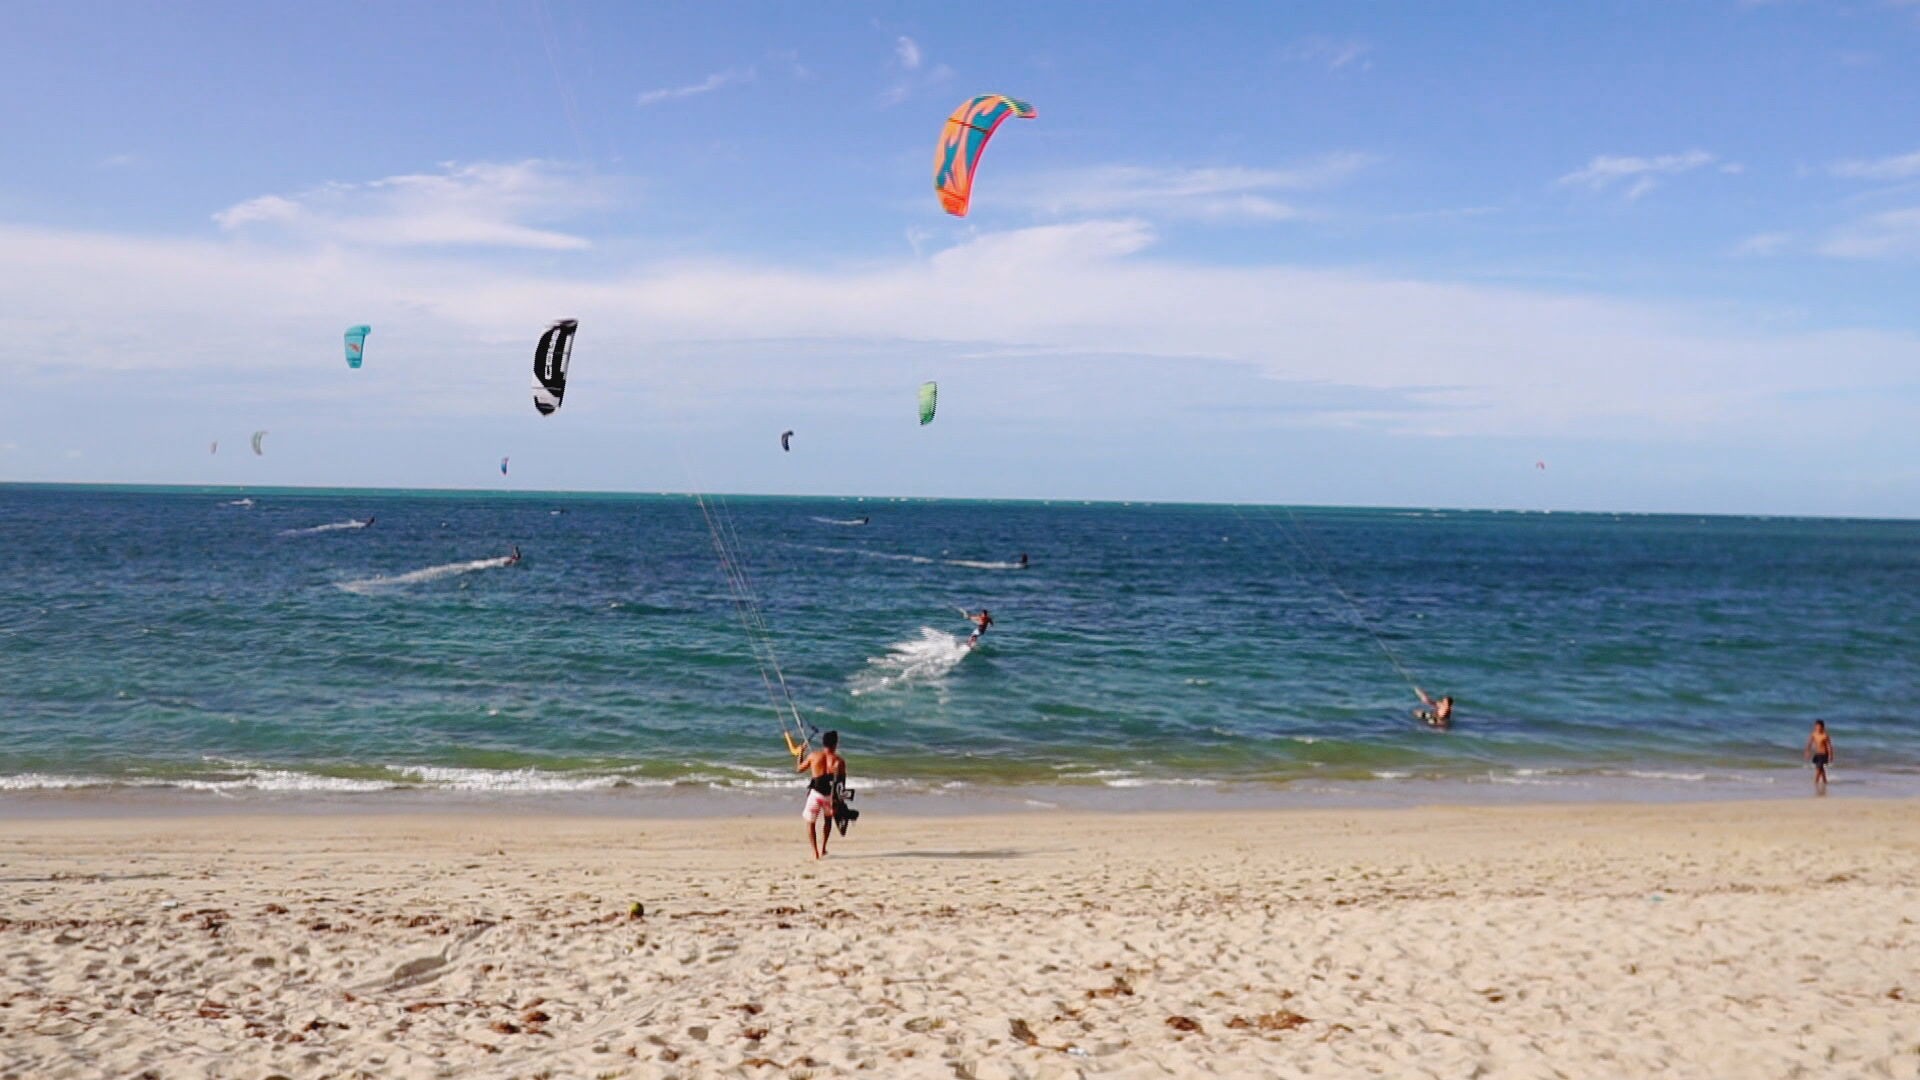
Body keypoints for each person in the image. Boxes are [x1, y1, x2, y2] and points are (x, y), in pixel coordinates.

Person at [794, 731, 847, 859]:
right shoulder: (839, 761)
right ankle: (823, 848)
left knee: (810, 822)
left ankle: (815, 852)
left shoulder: (813, 756)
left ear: (823, 742)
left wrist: (800, 752)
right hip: (830, 796)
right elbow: (841, 784)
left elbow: (799, 769)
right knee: (828, 820)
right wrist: (839, 801)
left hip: (816, 794)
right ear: (836, 743)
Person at [1804, 720, 1833, 795]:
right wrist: (1807, 751)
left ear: (1823, 727)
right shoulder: (1813, 734)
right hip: (1817, 754)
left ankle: (1815, 783)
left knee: (1818, 769)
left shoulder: (1825, 735)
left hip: (1824, 754)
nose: (1818, 728)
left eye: (1819, 727)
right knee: (1821, 769)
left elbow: (1829, 746)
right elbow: (1809, 743)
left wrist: (1830, 755)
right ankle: (1825, 782)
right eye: (1816, 726)